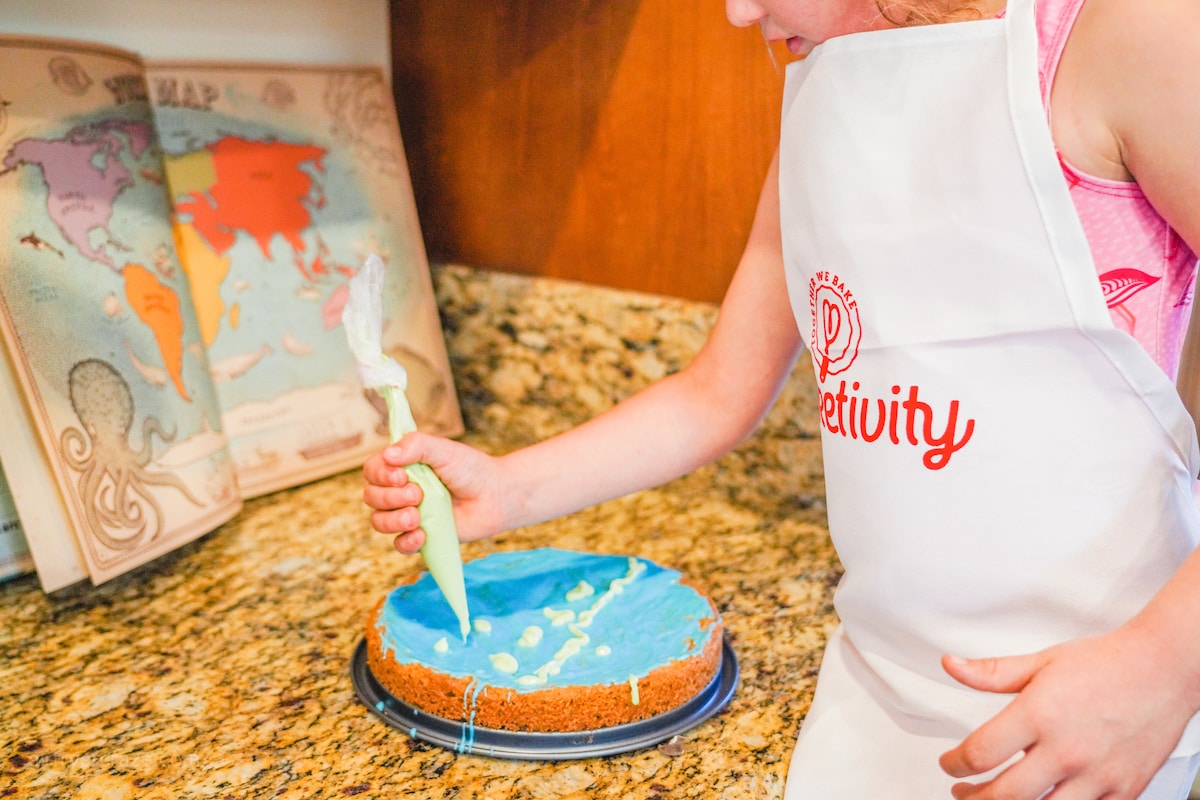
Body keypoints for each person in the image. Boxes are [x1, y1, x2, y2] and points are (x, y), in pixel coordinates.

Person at [362, 0, 1200, 796]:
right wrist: (511, 487)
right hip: (875, 687)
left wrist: (1164, 667)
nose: (734, 13)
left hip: (1106, 702)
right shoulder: (825, 93)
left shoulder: (1123, 33)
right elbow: (713, 395)